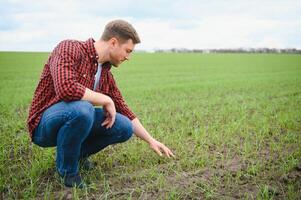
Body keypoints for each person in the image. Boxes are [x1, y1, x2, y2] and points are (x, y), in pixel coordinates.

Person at [27, 19, 175, 188]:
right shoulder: (69, 48)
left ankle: (74, 155)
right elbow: (66, 89)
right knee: (83, 109)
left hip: (75, 117)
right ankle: (67, 172)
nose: (128, 57)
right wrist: (105, 99)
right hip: (43, 125)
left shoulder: (104, 73)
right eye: (127, 51)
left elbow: (124, 110)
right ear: (113, 42)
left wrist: (151, 140)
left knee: (123, 126)